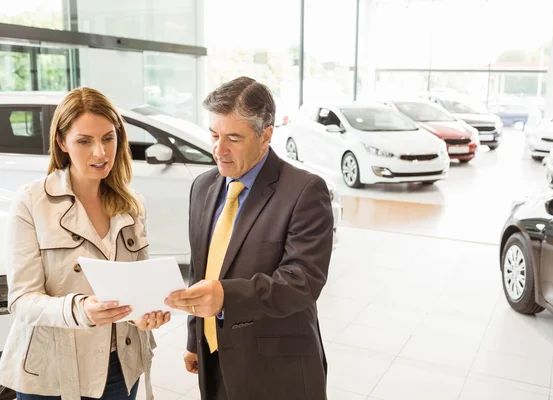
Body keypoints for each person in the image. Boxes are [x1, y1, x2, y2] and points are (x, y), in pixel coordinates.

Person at [164, 76, 334, 400]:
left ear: (265, 135)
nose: (218, 149)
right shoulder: (202, 187)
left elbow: (303, 282)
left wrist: (226, 296)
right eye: (214, 134)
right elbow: (201, 271)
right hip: (215, 361)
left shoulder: (304, 191)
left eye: (233, 138)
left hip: (277, 371)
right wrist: (195, 339)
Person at [0, 87, 170, 400]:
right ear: (62, 142)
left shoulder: (132, 205)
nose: (100, 153)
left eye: (108, 138)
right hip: (52, 372)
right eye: (84, 141)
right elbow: (22, 301)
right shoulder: (32, 202)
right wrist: (81, 309)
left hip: (120, 367)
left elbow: (141, 287)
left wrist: (147, 312)